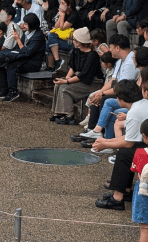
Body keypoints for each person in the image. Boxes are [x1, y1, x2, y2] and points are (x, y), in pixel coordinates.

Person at [94, 79, 148, 211]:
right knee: (128, 151)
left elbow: (128, 143)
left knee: (125, 153)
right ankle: (126, 190)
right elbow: (131, 138)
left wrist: (105, 144)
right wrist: (106, 142)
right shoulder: (140, 105)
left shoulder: (134, 112)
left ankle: (117, 198)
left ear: (121, 99)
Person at [50, 27, 103, 124]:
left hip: (92, 82)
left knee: (65, 89)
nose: (73, 41)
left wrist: (66, 81)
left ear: (80, 41)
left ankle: (69, 115)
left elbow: (83, 75)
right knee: (58, 84)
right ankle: (58, 112)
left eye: (74, 39)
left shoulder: (92, 55)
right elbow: (72, 68)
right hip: (80, 77)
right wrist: (67, 78)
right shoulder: (75, 51)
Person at [0, 13, 45, 102]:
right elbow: (18, 49)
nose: (24, 25)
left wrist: (18, 40)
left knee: (11, 65)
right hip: (24, 59)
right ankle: (3, 89)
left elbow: (27, 52)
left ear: (32, 24)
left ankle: (13, 91)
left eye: (26, 24)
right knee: (2, 62)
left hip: (33, 62)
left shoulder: (38, 36)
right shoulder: (27, 33)